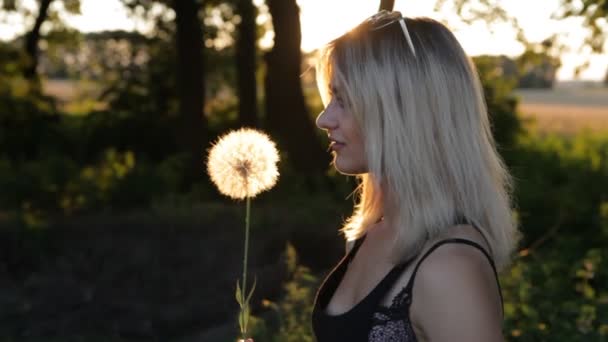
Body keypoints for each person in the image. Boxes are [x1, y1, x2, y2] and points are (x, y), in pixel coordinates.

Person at [311, 10, 521, 342]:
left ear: (403, 113)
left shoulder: (450, 268)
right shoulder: (376, 230)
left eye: (344, 100)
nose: (324, 119)